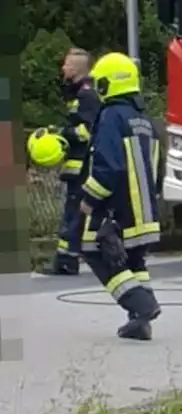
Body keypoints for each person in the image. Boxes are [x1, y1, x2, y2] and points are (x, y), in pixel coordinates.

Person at [78, 52, 163, 340]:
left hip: (118, 209)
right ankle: (140, 323)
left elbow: (108, 166)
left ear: (107, 85)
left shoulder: (111, 116)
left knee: (95, 251)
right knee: (133, 262)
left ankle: (142, 306)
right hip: (145, 212)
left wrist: (89, 199)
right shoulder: (144, 120)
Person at [45, 47, 101, 275]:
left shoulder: (86, 95)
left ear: (77, 68)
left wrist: (61, 132)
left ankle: (67, 261)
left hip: (83, 166)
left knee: (74, 212)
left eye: (66, 64)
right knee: (73, 211)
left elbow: (88, 131)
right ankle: (66, 259)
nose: (63, 68)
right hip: (77, 165)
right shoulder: (79, 93)